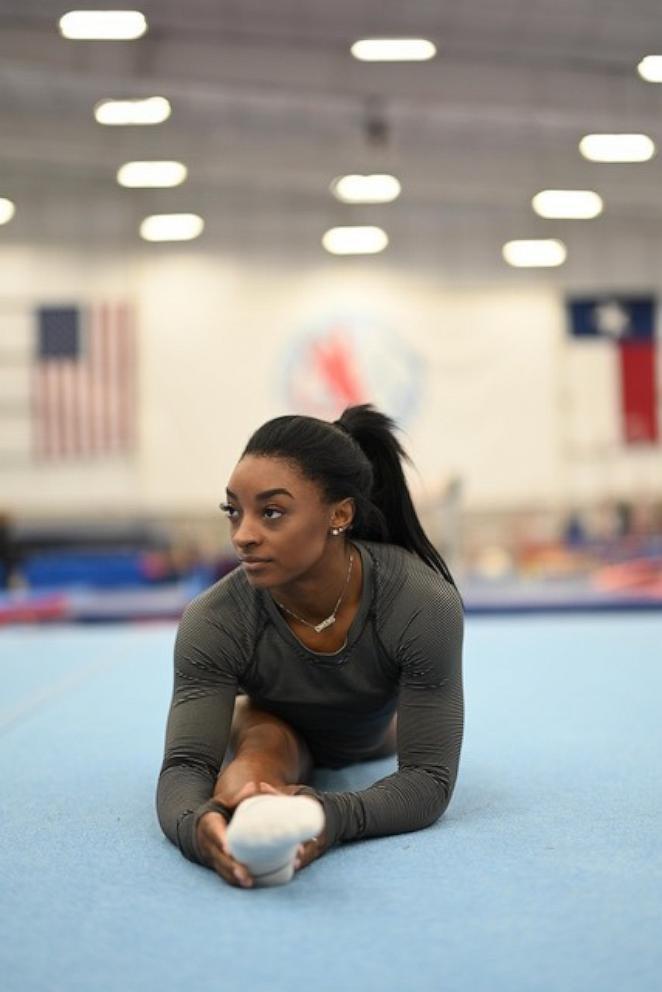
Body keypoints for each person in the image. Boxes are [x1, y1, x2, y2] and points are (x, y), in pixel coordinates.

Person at [156, 404, 464, 889]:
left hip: (374, 733)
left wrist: (329, 817)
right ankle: (250, 815)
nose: (243, 535)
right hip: (270, 722)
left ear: (339, 514)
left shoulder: (419, 602)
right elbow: (185, 767)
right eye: (233, 510)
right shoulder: (215, 619)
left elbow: (428, 780)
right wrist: (197, 825)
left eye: (271, 513)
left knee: (371, 739)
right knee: (256, 754)